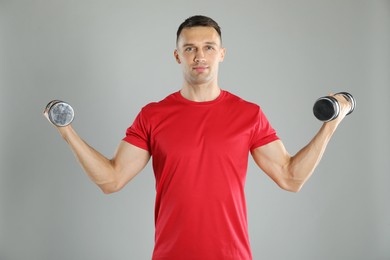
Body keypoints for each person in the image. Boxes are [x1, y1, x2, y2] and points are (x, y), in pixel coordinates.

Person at [44, 15, 351, 260]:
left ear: (221, 54)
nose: (199, 56)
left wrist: (330, 125)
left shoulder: (249, 114)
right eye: (190, 48)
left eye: (208, 47)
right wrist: (65, 130)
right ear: (177, 56)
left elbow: (290, 178)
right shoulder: (153, 115)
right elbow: (111, 180)